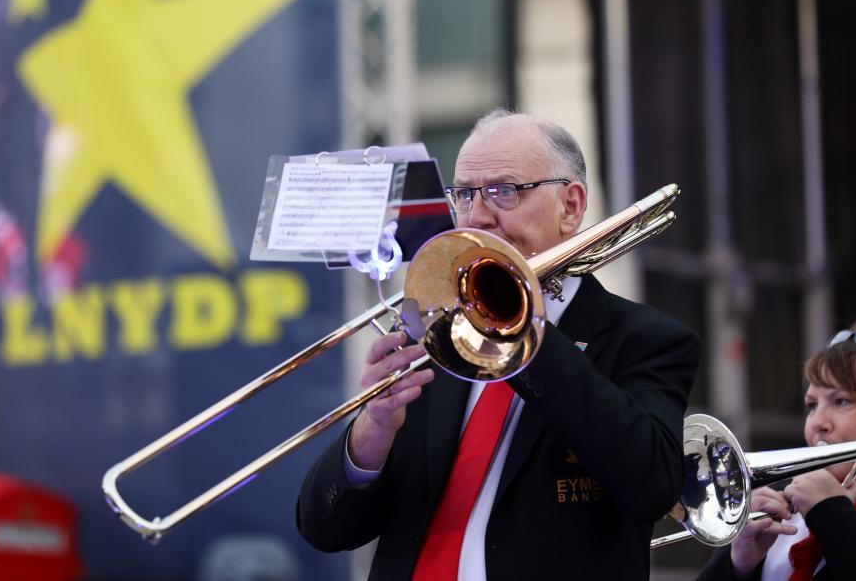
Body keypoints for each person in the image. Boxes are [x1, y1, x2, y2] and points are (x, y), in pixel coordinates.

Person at [296, 109, 701, 579]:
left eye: (504, 191)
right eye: (465, 194)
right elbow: (324, 529)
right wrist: (374, 430)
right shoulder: (434, 335)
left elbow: (651, 487)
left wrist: (528, 334)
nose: (477, 217)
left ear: (570, 206)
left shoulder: (646, 339)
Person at [697, 314, 856, 581]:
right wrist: (737, 565)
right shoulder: (797, 506)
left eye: (842, 401)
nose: (817, 422)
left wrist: (829, 512)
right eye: (812, 405)